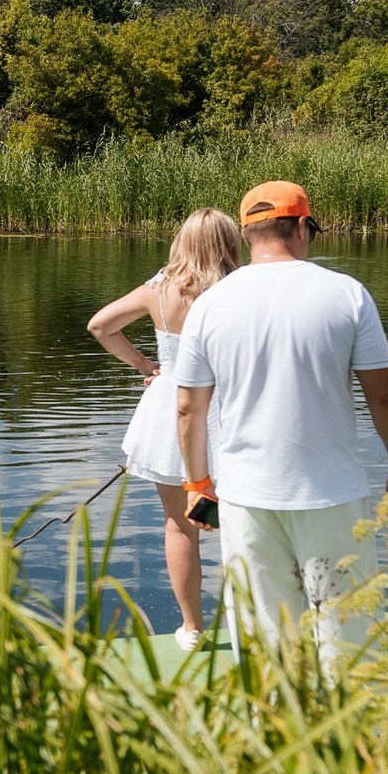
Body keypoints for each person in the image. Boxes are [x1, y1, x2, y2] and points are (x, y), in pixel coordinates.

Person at [174, 181, 388, 660]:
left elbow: (187, 409)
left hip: (245, 500)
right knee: (347, 639)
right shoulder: (347, 294)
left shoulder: (209, 305)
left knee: (266, 647)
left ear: (248, 235)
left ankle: (270, 731)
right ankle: (352, 734)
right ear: (303, 227)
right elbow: (384, 397)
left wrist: (198, 483)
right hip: (333, 496)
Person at [87, 207, 244, 648]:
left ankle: (192, 628)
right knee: (239, 524)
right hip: (226, 407)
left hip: (171, 409)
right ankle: (247, 623)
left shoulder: (158, 289)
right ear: (230, 243)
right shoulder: (237, 288)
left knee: (181, 525)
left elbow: (100, 325)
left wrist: (144, 365)